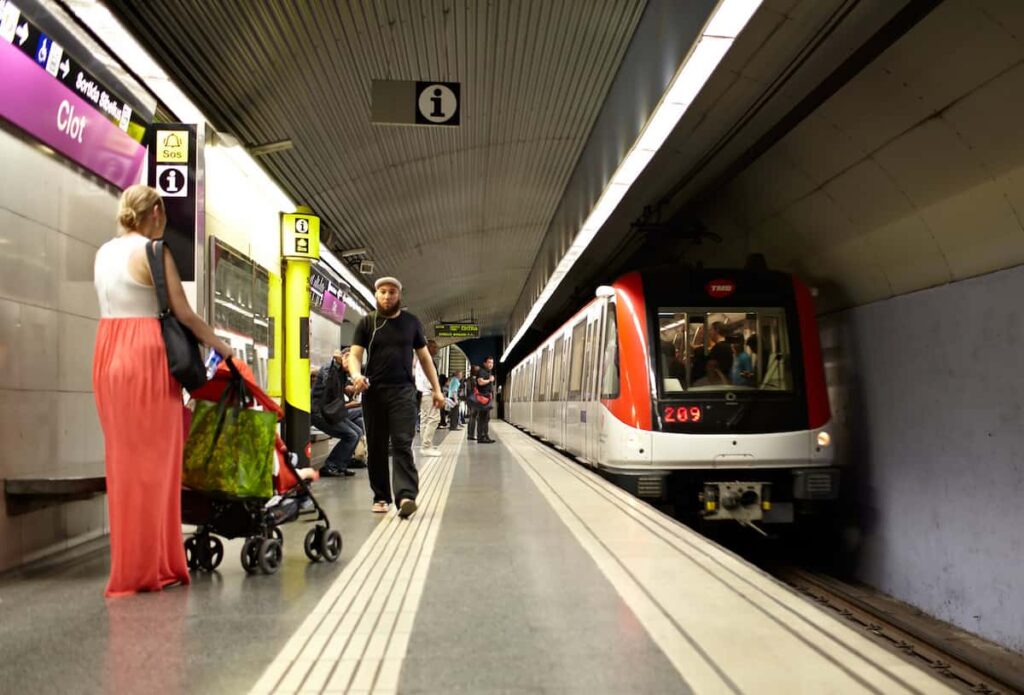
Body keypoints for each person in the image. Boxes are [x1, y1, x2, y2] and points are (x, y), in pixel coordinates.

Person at [92, 184, 234, 598]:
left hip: (108, 353)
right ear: (155, 210)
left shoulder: (103, 253)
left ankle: (133, 565)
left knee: (125, 466)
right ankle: (151, 566)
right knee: (156, 466)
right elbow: (184, 314)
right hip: (145, 356)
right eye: (165, 213)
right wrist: (221, 346)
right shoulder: (155, 252)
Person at [349, 277, 445, 518]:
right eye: (382, 292)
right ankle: (381, 496)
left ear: (399, 295)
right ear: (376, 294)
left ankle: (405, 496)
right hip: (374, 392)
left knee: (402, 443)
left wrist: (437, 389)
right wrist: (356, 375)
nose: (387, 296)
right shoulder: (367, 323)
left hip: (403, 391)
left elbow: (424, 359)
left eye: (392, 292)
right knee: (377, 445)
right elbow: (355, 355)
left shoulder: (411, 323)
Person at [311, 350, 359, 477]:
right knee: (351, 436)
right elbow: (329, 383)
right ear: (345, 357)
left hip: (332, 412)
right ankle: (330, 465)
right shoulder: (330, 368)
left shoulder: (342, 373)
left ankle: (341, 465)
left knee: (357, 432)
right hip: (320, 413)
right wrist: (336, 362)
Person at [414, 340, 442, 456]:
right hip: (429, 392)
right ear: (428, 348)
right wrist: (436, 390)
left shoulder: (420, 360)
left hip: (423, 393)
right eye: (434, 347)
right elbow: (428, 379)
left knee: (425, 419)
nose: (437, 350)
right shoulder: (426, 360)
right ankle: (426, 446)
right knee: (434, 418)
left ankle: (425, 446)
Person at [475, 356, 497, 443]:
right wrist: (489, 380)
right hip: (483, 398)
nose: (491, 364)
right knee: (482, 418)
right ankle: (481, 437)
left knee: (486, 418)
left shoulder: (488, 372)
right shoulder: (481, 371)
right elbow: (480, 382)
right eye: (489, 362)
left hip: (487, 398)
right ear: (485, 363)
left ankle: (485, 435)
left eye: (492, 362)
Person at [465, 364, 480, 440]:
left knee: (473, 417)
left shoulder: (472, 379)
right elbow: (470, 390)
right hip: (473, 400)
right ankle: (470, 435)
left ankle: (470, 434)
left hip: (472, 400)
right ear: (473, 371)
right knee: (473, 417)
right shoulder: (470, 380)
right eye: (477, 370)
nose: (478, 371)